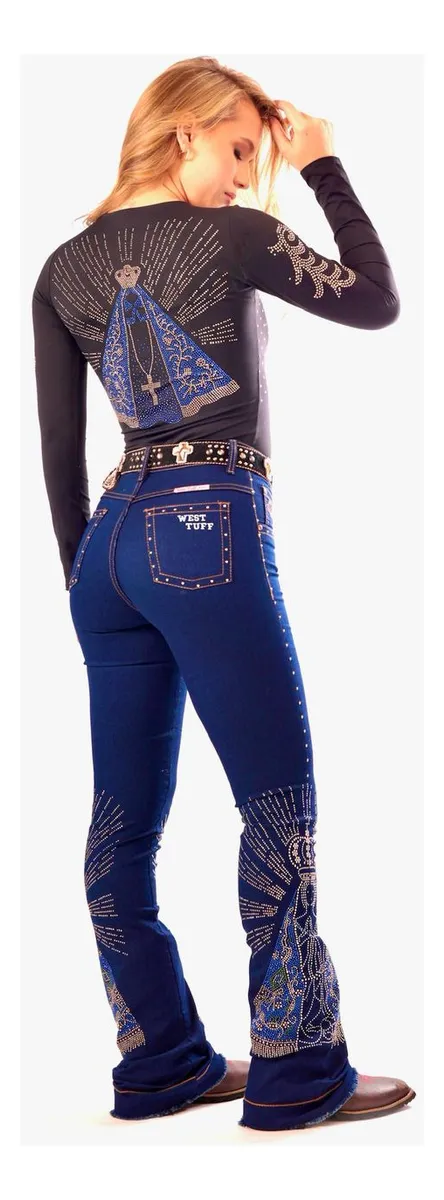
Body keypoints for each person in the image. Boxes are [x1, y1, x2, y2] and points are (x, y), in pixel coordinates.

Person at [31, 55, 416, 1130]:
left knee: (122, 821)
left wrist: (86, 581)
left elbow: (59, 448)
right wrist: (323, 163)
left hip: (108, 549)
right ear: (183, 134)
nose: (249, 175)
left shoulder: (59, 267)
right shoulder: (235, 237)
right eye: (240, 149)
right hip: (210, 525)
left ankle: (159, 1062)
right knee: (277, 803)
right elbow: (378, 300)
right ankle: (297, 1068)